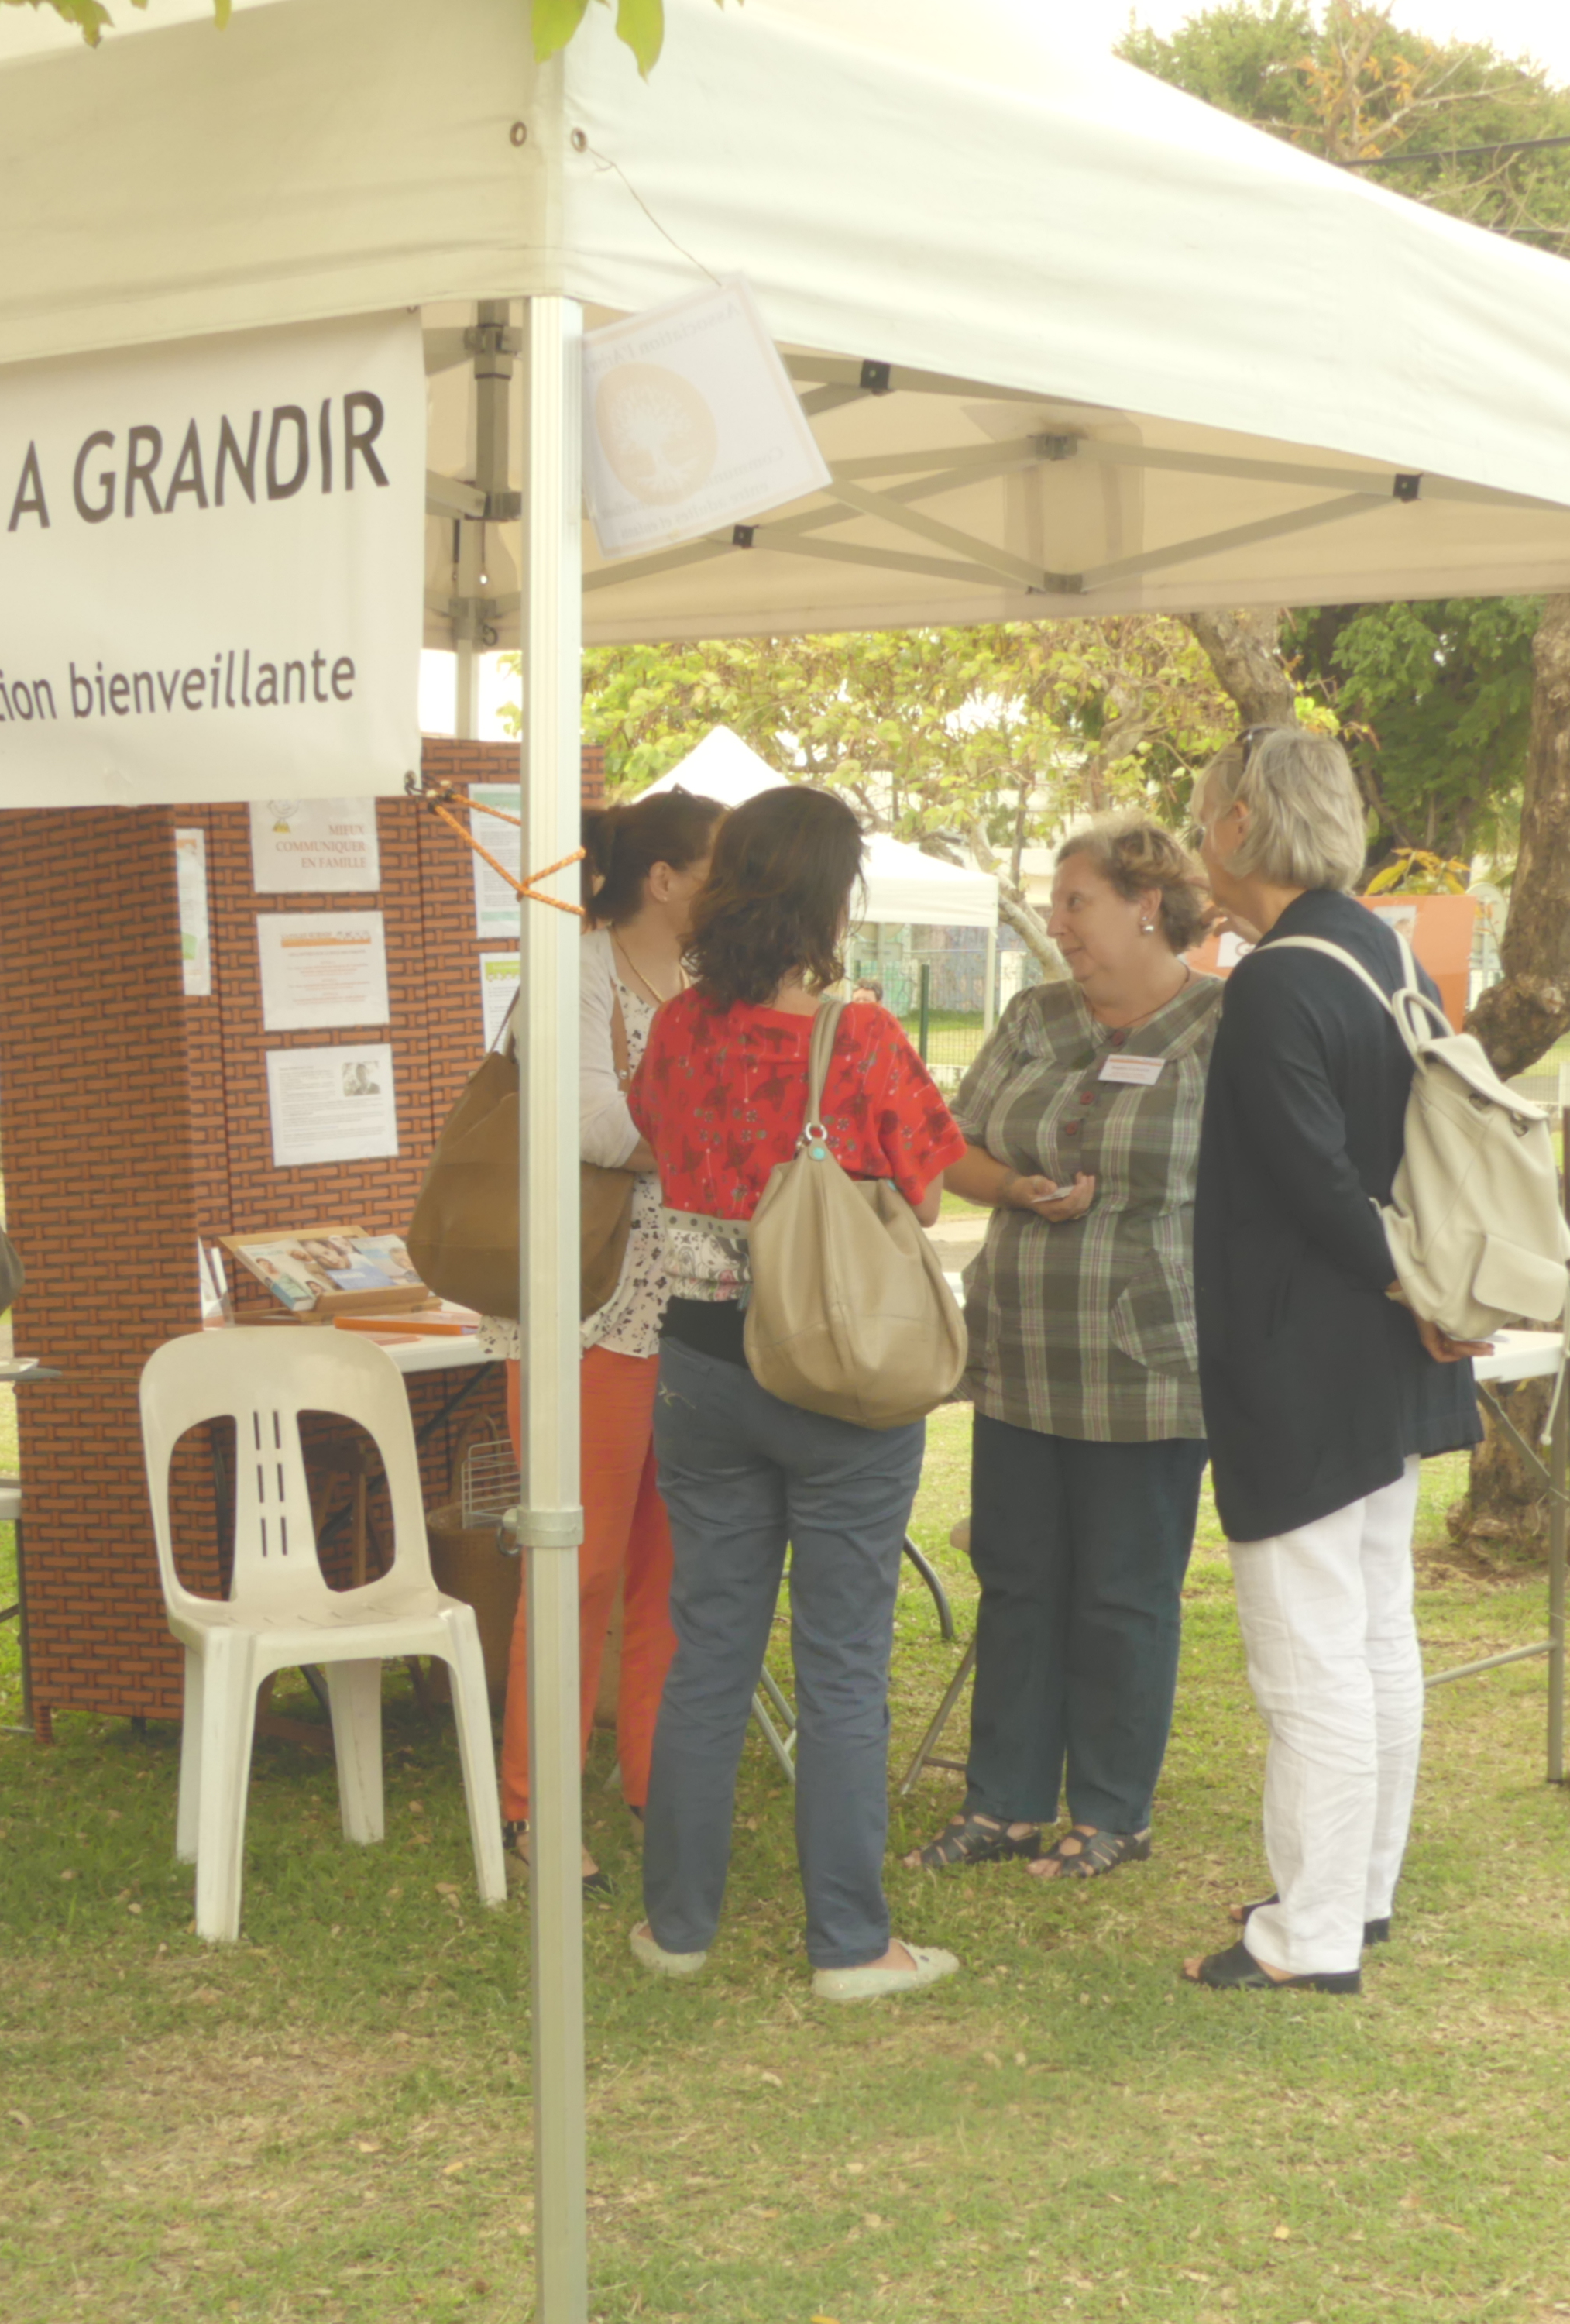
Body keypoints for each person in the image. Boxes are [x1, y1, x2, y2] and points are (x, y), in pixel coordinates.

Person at [624, 786, 969, 2002]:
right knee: (840, 1665)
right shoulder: (857, 1038)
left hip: (701, 1367)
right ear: (831, 897)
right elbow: (925, 1191)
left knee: (707, 1648)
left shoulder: (674, 1030)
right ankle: (848, 1945)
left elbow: (654, 1145)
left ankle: (678, 1929)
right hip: (837, 1374)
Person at [1182, 727, 1483, 1995]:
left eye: (1205, 818)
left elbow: (1311, 1182)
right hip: (1389, 1351)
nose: (1198, 840)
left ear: (1244, 823)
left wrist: (1393, 1280)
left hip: (1306, 1357)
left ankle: (1308, 1936)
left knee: (1310, 1654)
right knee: (1371, 1636)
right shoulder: (1381, 950)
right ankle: (1353, 1897)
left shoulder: (1273, 982)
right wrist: (1417, 1291)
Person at [908, 816, 1220, 1884]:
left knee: (1125, 1590)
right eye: (1054, 908)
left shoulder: (1223, 1024)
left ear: (1148, 905)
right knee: (1019, 1578)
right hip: (1021, 1347)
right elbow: (953, 1144)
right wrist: (1014, 1189)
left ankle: (1113, 1811)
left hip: (1146, 1362)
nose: (1058, 928)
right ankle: (1003, 1806)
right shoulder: (1036, 1016)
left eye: (1075, 904)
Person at [481, 789, 723, 1893]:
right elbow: (593, 1127)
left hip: (695, 1307)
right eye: (722, 864)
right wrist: (722, 1133)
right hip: (586, 1307)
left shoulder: (707, 982)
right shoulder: (572, 969)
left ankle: (654, 1785)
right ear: (664, 879)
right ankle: (535, 1809)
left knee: (673, 1568)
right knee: (576, 1566)